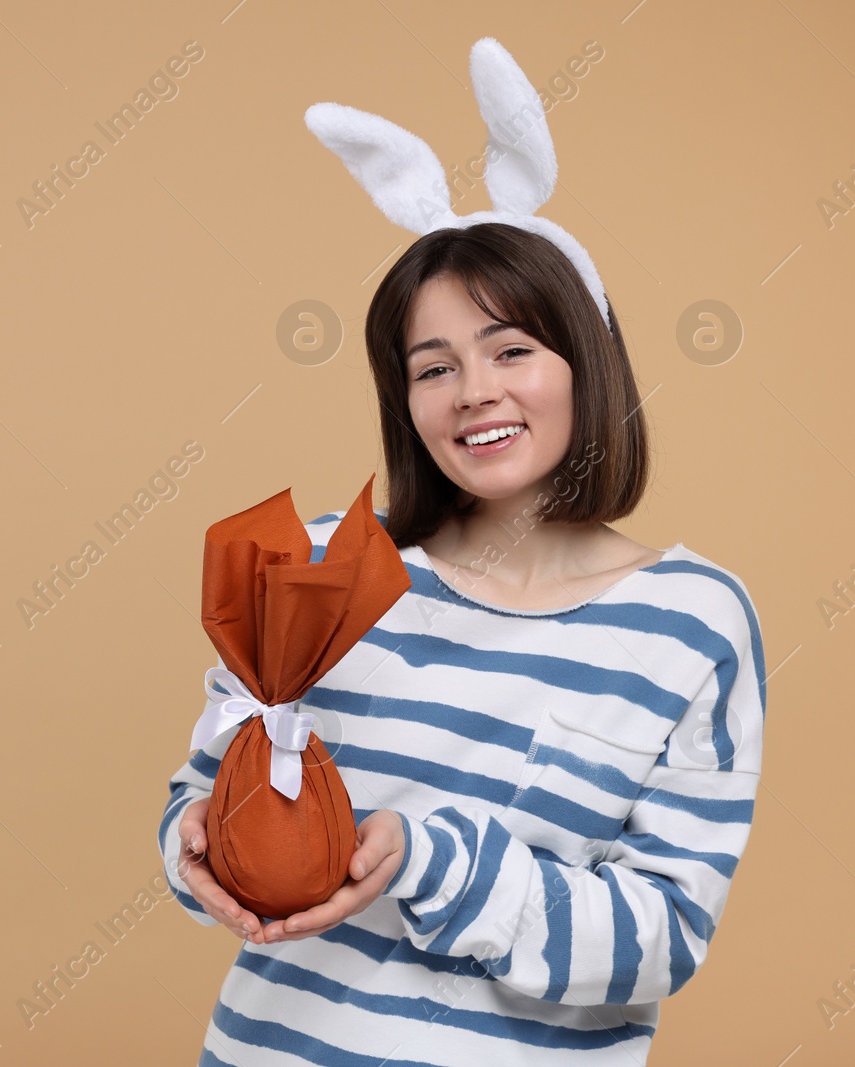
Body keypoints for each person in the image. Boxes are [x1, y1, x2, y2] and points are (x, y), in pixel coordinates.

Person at [156, 223, 766, 1065]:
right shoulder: (327, 569)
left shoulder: (689, 619)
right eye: (434, 367)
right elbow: (206, 785)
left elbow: (662, 939)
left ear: (588, 363)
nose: (473, 391)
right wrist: (196, 841)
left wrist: (437, 860)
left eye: (510, 350)